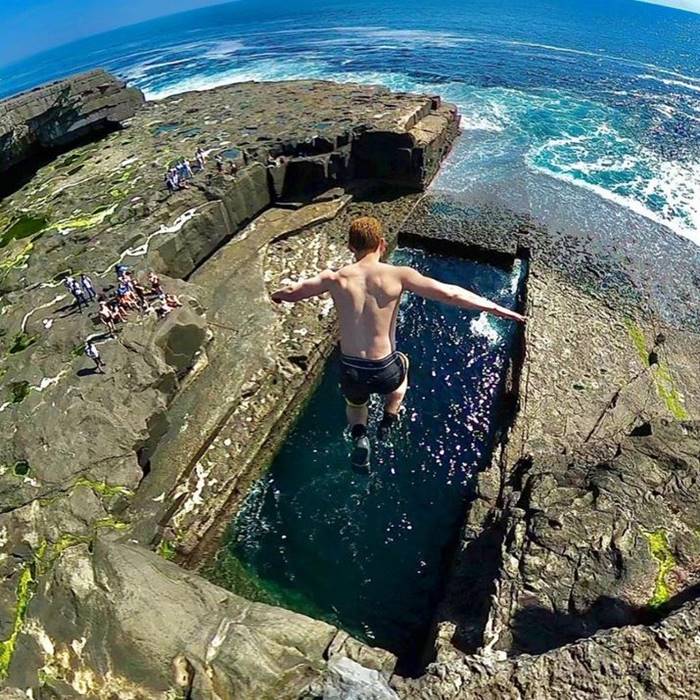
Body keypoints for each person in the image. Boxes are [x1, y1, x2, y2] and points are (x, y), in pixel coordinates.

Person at [271, 216, 526, 469]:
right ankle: (389, 418)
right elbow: (450, 293)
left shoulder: (334, 278)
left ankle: (360, 437)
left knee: (355, 403)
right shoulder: (398, 275)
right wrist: (496, 308)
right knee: (402, 365)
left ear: (351, 247)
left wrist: (278, 295)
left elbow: (295, 292)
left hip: (351, 369)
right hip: (384, 369)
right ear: (382, 244)